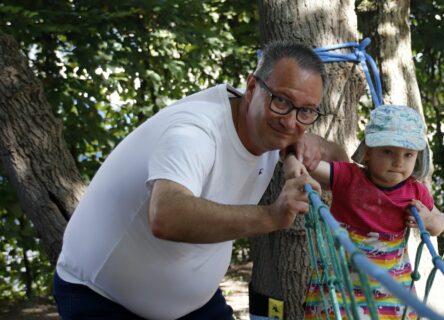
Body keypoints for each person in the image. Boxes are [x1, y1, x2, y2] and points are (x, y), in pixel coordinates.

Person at [53, 41, 349, 320]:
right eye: (281, 101)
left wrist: (315, 143)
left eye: (306, 111)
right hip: (102, 299)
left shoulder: (277, 133)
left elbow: (344, 167)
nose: (290, 120)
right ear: (251, 87)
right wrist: (272, 216)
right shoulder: (196, 131)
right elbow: (167, 216)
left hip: (195, 306)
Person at [283, 104, 444, 319]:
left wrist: (427, 219)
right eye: (388, 151)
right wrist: (291, 160)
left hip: (390, 286)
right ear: (368, 152)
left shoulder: (415, 191)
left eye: (408, 155)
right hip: (341, 278)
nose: (398, 162)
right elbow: (308, 165)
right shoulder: (348, 177)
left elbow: (439, 224)